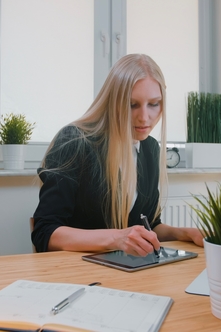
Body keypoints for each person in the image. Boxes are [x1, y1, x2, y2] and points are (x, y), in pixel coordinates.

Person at [31, 54, 203, 255]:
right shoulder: (74, 142)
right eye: (132, 105)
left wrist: (185, 233)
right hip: (77, 274)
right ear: (112, 102)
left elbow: (149, 227)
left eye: (154, 104)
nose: (145, 117)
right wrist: (117, 238)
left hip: (126, 272)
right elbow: (45, 232)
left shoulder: (150, 149)